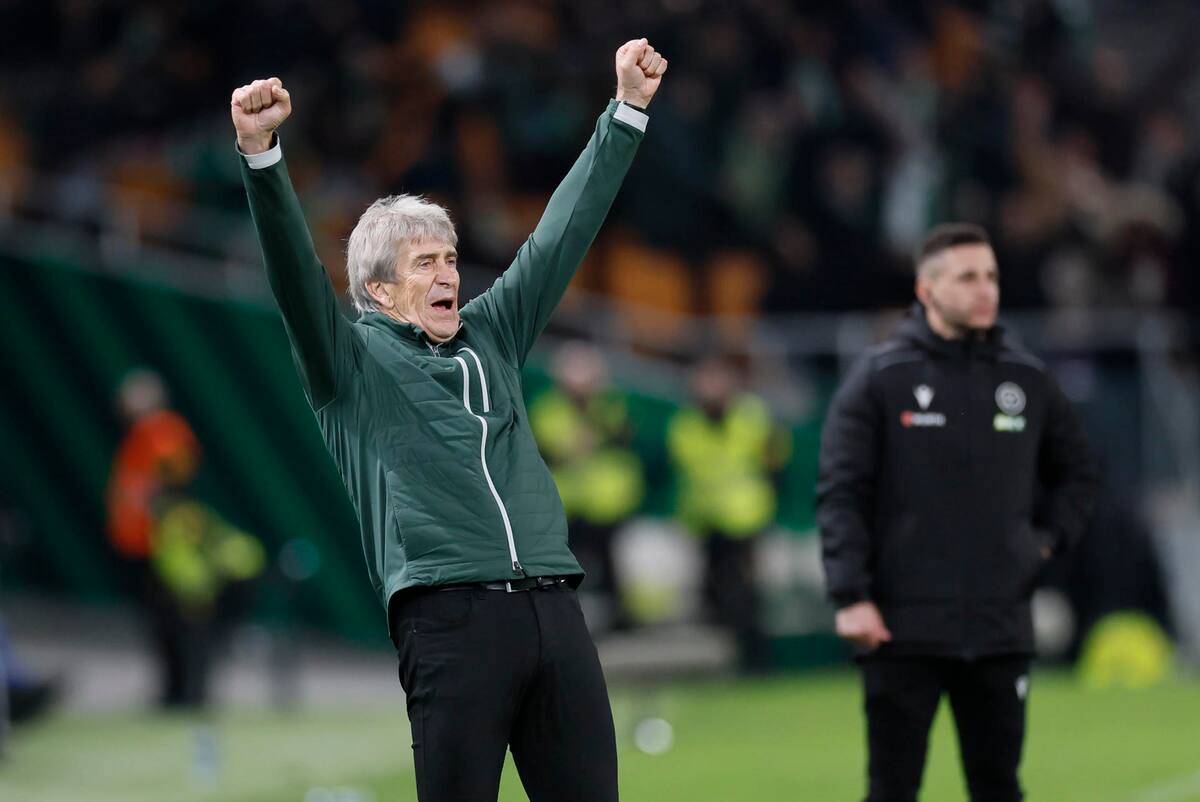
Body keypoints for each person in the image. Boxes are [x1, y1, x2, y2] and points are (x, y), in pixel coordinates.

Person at [232, 38, 667, 802]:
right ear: (378, 289)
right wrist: (262, 157)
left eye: (451, 257)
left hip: (554, 605)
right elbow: (296, 276)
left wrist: (625, 111)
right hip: (450, 615)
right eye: (426, 263)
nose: (449, 274)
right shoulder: (348, 362)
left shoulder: (492, 334)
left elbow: (560, 236)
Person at [817, 222, 1099, 802]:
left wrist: (1043, 543)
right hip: (900, 629)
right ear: (926, 290)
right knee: (892, 790)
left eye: (991, 276)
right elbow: (841, 492)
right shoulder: (880, 378)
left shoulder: (1026, 378)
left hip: (1000, 626)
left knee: (999, 787)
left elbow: (1079, 474)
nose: (985, 289)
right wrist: (851, 595)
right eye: (967, 277)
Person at [667, 355, 790, 673]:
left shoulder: (753, 416)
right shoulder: (686, 424)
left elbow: (775, 461)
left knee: (747, 593)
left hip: (747, 519)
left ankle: (756, 660)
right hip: (707, 522)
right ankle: (729, 662)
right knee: (715, 596)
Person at [529, 341, 645, 632]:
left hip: (609, 502)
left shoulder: (610, 405)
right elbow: (553, 446)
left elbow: (622, 435)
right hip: (568, 503)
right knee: (570, 566)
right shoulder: (549, 408)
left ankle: (620, 615)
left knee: (612, 564)